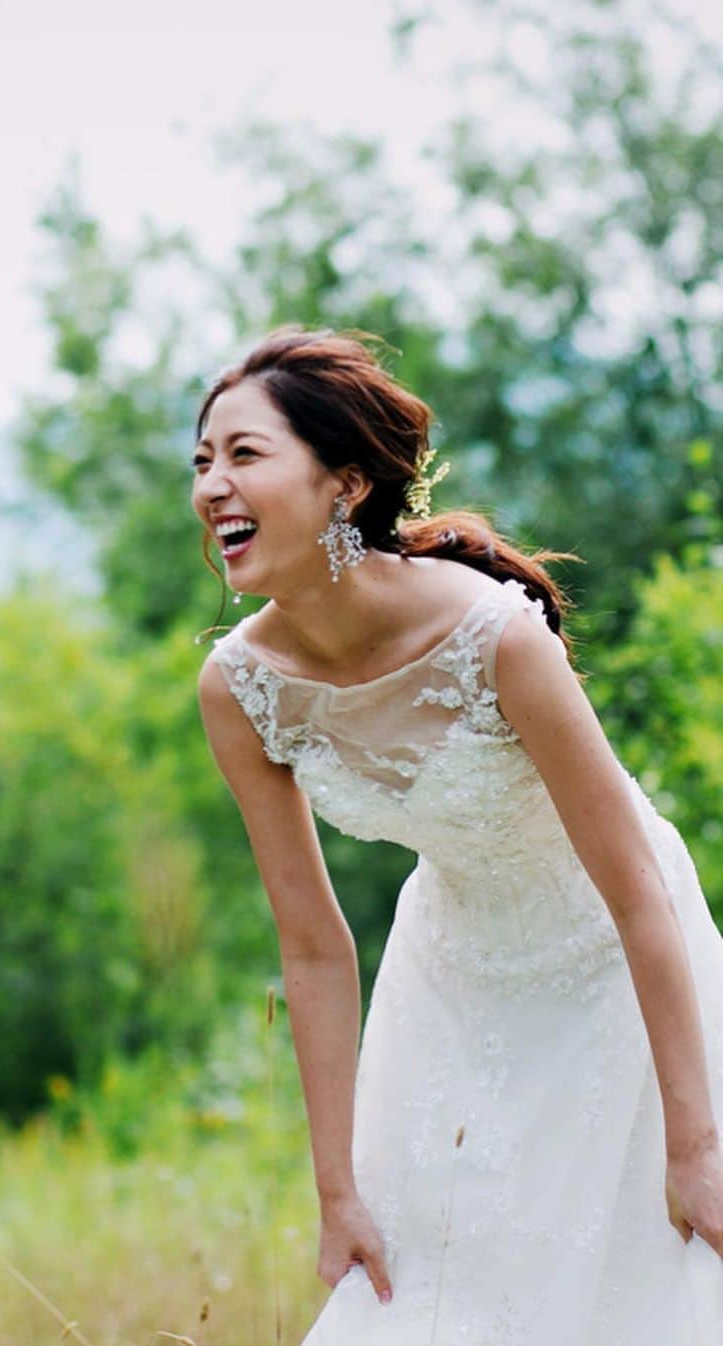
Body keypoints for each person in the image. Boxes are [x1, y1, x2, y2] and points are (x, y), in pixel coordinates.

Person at [190, 325, 723, 1343]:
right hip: (449, 975)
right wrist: (335, 1187)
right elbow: (312, 943)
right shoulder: (239, 687)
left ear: (344, 485)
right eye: (202, 461)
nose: (214, 485)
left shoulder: (497, 637)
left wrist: (696, 1144)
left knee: (628, 1281)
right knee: (433, 1295)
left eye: (245, 454)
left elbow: (636, 891)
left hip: (617, 961)